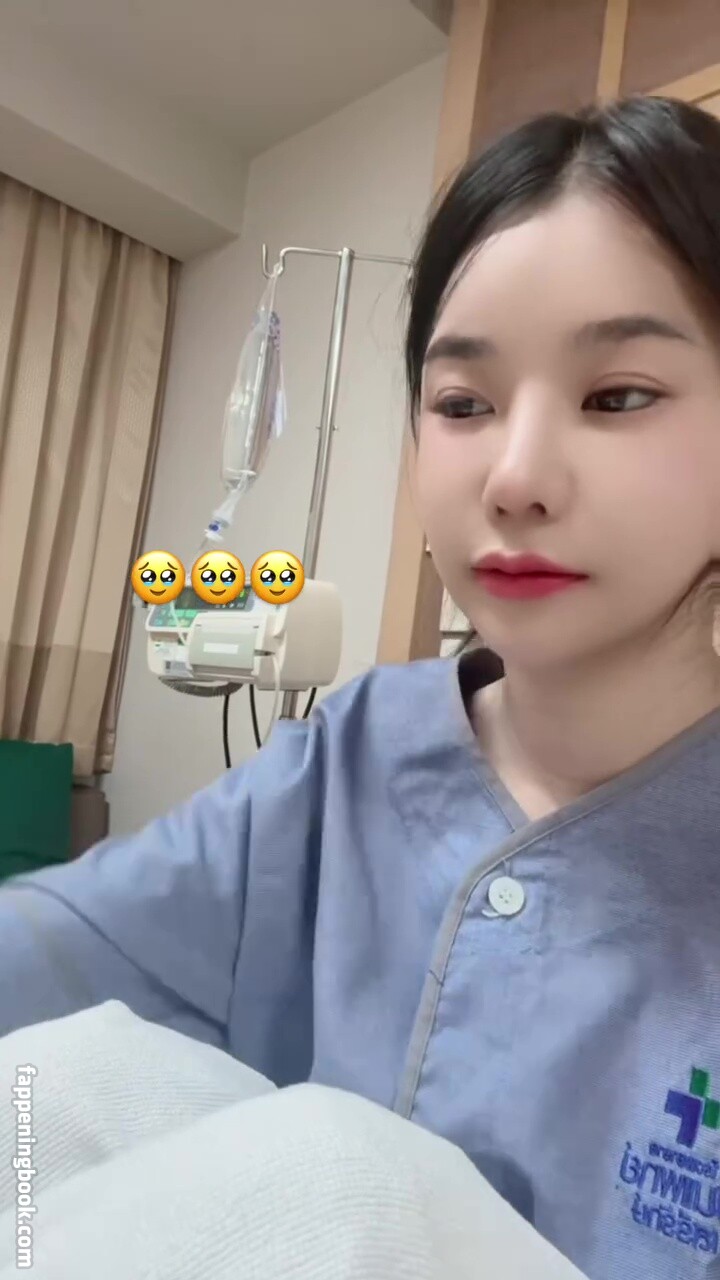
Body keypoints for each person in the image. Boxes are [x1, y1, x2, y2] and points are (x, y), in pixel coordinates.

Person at [1, 94, 719, 1280]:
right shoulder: (355, 752)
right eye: (463, 403)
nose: (516, 476)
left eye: (618, 395)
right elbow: (66, 939)